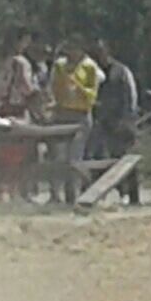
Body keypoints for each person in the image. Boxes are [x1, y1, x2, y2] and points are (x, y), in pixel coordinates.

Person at [48, 38, 104, 203]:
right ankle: (55, 194)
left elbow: (92, 95)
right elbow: (54, 87)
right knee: (59, 156)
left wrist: (78, 86)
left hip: (80, 113)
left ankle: (73, 195)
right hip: (62, 112)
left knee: (75, 157)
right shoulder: (60, 65)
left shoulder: (90, 67)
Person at [87, 38, 141, 205]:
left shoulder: (121, 71)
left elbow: (131, 96)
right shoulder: (92, 72)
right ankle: (97, 196)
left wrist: (126, 120)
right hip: (101, 122)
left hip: (121, 121)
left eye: (100, 52)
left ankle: (133, 197)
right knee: (97, 160)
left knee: (125, 161)